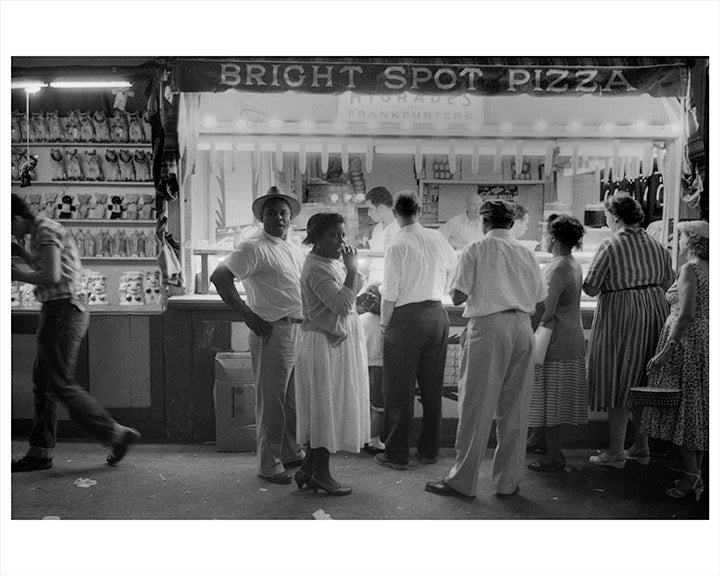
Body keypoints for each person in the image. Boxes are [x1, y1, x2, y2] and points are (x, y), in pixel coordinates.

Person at [425, 199, 546, 499]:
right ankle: (507, 482)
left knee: (477, 406)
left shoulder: (476, 250)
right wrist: (524, 328)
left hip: (489, 328)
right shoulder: (526, 253)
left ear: (483, 222)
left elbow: (457, 296)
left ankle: (463, 481)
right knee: (515, 410)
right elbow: (541, 304)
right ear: (510, 223)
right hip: (523, 327)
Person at [10, 194, 140, 472]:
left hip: (61, 311)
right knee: (44, 383)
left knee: (59, 383)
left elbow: (52, 276)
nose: (12, 232)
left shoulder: (44, 231)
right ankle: (40, 452)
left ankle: (115, 434)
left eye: (11, 226)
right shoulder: (46, 230)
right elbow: (48, 267)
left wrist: (16, 274)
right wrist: (23, 255)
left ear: (18, 217)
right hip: (63, 310)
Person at [211, 186, 305, 485]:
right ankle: (269, 462)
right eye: (272, 213)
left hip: (296, 329)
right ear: (261, 218)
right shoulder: (253, 247)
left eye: (283, 213)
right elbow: (220, 277)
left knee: (290, 402)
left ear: (290, 218)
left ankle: (289, 451)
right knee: (271, 401)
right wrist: (248, 315)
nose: (278, 218)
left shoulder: (289, 247)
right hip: (272, 330)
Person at [583, 194, 674, 468]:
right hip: (654, 311)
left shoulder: (611, 245)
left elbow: (591, 287)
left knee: (618, 379)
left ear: (615, 217)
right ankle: (641, 446)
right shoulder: (657, 245)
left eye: (608, 217)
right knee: (642, 380)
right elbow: (667, 280)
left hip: (622, 314)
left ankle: (615, 452)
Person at [375, 192, 456, 470]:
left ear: (396, 213)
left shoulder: (397, 243)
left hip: (406, 320)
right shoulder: (436, 238)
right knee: (433, 389)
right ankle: (429, 450)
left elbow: (390, 292)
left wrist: (386, 324)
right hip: (436, 315)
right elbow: (453, 269)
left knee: (399, 390)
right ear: (419, 211)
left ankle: (397, 454)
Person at [293, 213, 370, 496]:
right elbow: (340, 305)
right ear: (316, 237)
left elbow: (352, 295)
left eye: (342, 235)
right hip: (322, 346)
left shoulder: (330, 263)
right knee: (325, 409)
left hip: (334, 345)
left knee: (326, 408)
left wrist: (353, 272)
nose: (340, 241)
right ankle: (322, 474)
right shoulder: (316, 268)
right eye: (333, 235)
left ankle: (309, 469)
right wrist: (351, 271)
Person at [640, 220, 709, 500]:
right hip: (704, 340)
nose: (677, 241)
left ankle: (690, 476)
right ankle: (697, 474)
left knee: (684, 408)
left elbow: (686, 314)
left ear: (691, 240)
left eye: (681, 237)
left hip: (686, 343)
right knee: (698, 408)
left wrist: (666, 350)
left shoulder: (690, 269)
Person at [527, 214, 588, 473]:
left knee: (550, 399)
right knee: (552, 397)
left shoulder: (556, 268)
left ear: (553, 237)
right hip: (571, 336)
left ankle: (554, 455)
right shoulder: (573, 263)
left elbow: (546, 309)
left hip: (554, 340)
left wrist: (527, 330)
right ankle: (537, 440)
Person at [359, 185, 399, 453]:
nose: (370, 213)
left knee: (379, 378)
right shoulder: (377, 230)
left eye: (371, 208)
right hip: (373, 295)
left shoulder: (397, 231)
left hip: (385, 298)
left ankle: (375, 434)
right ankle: (369, 433)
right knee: (373, 377)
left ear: (382, 206)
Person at [365, 186, 400, 284]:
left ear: (380, 207)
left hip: (391, 284)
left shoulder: (400, 229)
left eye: (370, 209)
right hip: (374, 281)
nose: (368, 213)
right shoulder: (377, 229)